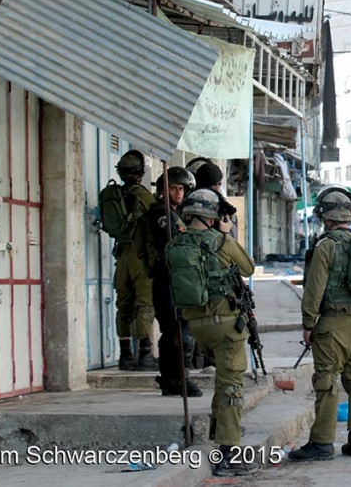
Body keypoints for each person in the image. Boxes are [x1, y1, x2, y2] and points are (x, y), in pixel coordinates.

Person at [167, 189, 257, 477]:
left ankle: (220, 424)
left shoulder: (175, 245)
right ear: (213, 217)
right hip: (225, 325)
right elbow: (249, 267)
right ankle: (229, 453)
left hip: (196, 326)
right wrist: (228, 232)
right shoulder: (221, 241)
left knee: (223, 376)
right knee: (232, 384)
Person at [289, 185, 351, 462]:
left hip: (331, 324)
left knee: (326, 381)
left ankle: (322, 443)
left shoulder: (325, 246)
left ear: (325, 216)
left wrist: (308, 323)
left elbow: (313, 291)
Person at [142, 166, 202, 398]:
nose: (178, 193)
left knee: (175, 331)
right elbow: (180, 246)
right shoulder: (163, 215)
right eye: (173, 188)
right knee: (177, 331)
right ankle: (179, 378)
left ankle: (172, 379)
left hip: (175, 281)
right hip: (167, 281)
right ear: (163, 190)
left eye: (181, 189)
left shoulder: (174, 214)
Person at [112, 150, 158, 371]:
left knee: (124, 305)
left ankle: (124, 356)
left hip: (121, 256)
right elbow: (156, 217)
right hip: (140, 256)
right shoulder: (142, 195)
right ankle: (145, 355)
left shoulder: (114, 195)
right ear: (140, 173)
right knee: (144, 304)